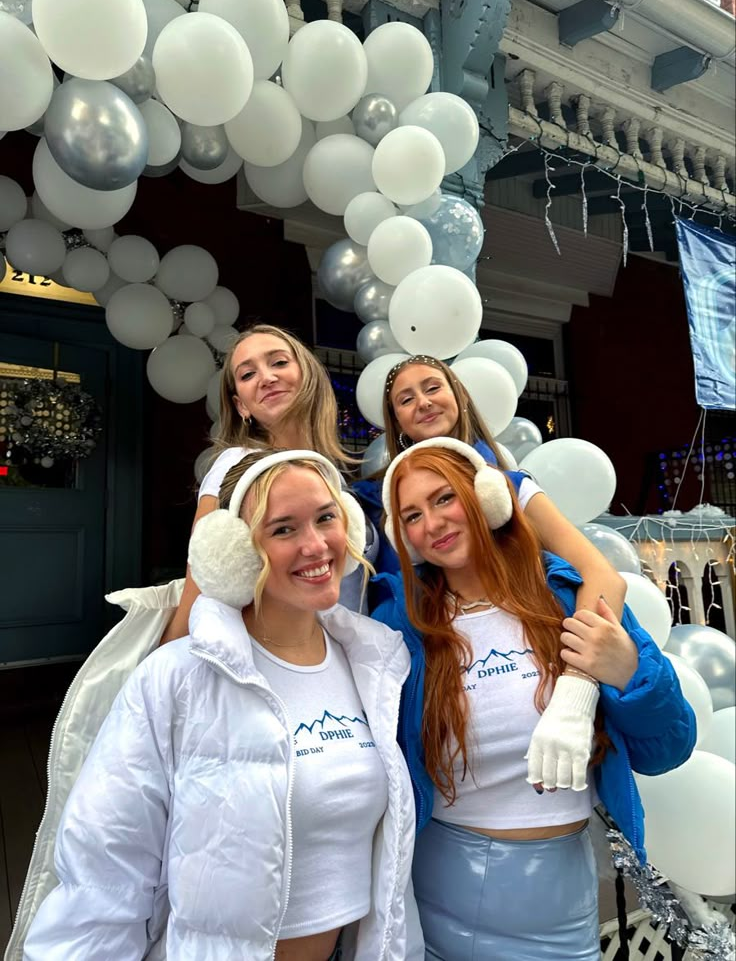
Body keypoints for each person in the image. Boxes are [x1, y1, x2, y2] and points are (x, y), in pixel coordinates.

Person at [22, 449, 423, 961]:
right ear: (235, 552)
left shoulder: (377, 666)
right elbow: (104, 873)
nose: (316, 544)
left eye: (326, 518)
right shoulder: (178, 677)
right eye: (283, 529)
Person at [374, 438, 696, 961]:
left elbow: (668, 748)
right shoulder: (401, 626)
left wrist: (628, 672)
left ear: (484, 499)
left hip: (565, 893)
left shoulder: (566, 597)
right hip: (445, 886)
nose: (431, 524)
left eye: (443, 499)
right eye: (411, 515)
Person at [353, 354, 627, 614]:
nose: (423, 402)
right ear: (397, 422)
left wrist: (584, 657)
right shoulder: (376, 503)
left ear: (459, 397)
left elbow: (601, 576)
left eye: (433, 388)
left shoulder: (514, 487)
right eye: (406, 399)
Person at [164, 322, 371, 642]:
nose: (267, 377)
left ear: (307, 375)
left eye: (279, 362)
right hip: (271, 660)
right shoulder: (235, 466)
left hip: (343, 661)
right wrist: (166, 669)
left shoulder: (331, 472)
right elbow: (201, 585)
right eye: (248, 375)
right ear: (241, 406)